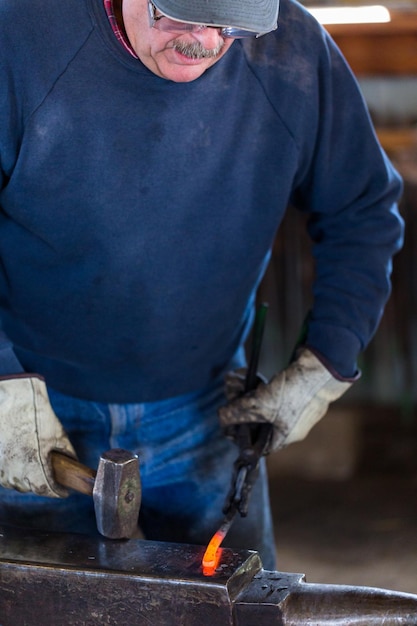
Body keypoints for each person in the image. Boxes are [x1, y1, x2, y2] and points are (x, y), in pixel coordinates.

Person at [0, 0, 403, 570]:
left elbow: (363, 209)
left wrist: (328, 358)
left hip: (208, 414)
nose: (205, 43)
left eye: (232, 23)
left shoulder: (293, 49)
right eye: (180, 14)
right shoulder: (17, 36)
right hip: (30, 410)